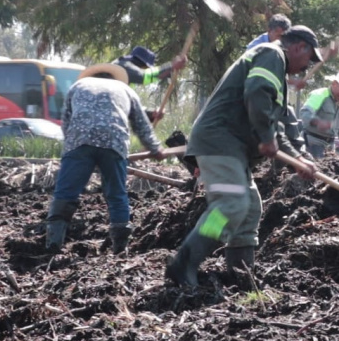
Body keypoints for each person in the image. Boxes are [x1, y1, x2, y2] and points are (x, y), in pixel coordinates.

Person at [166, 25, 321, 287]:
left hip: (233, 148)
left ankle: (240, 275)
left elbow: (276, 130)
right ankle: (184, 263)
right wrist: (265, 136)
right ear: (298, 47)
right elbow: (256, 90)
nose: (308, 67)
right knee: (231, 205)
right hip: (220, 141)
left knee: (249, 208)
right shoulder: (272, 54)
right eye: (309, 59)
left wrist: (298, 160)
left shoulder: (278, 75)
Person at [45, 63, 167, 255]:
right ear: (115, 78)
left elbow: (66, 122)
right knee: (117, 194)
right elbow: (141, 125)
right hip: (114, 142)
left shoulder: (77, 87)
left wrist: (75, 150)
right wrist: (156, 148)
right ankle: (120, 247)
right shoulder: (126, 90)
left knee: (66, 193)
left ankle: (53, 242)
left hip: (79, 141)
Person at [299, 69, 339, 159]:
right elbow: (305, 113)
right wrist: (318, 122)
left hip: (330, 147)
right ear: (334, 83)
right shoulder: (320, 95)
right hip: (312, 144)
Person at [112, 46, 187, 87]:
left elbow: (130, 109)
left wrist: (150, 114)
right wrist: (171, 66)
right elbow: (145, 76)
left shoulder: (126, 81)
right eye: (145, 69)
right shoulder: (124, 66)